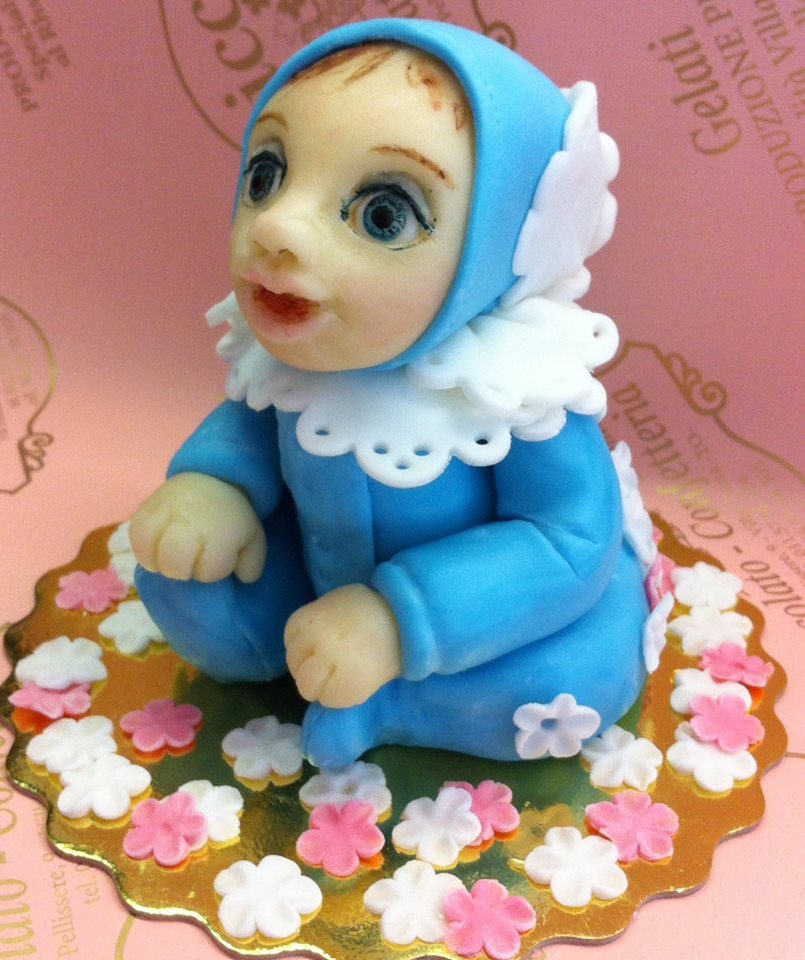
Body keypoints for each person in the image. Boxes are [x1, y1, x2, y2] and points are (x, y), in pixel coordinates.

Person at [131, 19, 654, 768]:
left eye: (383, 215)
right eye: (266, 176)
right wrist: (214, 488)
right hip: (314, 581)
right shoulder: (298, 361)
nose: (276, 228)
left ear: (499, 247)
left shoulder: (518, 389)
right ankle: (262, 651)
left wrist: (397, 620)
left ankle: (395, 708)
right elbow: (253, 426)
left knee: (575, 674)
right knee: (186, 578)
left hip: (473, 629)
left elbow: (566, 544)